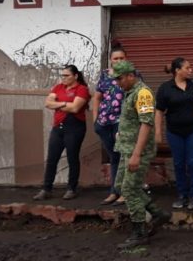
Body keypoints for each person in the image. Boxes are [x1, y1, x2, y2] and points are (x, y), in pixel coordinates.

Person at [110, 61, 170, 249]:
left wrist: (136, 155)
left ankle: (139, 232)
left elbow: (146, 124)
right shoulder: (129, 92)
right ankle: (157, 213)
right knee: (121, 186)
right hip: (126, 149)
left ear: (130, 75)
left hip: (137, 152)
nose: (117, 83)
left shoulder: (143, 94)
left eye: (120, 78)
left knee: (129, 190)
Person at [155, 56, 193, 211]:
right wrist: (157, 131)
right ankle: (182, 195)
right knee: (178, 163)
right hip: (174, 132)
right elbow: (159, 112)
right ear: (177, 70)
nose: (191, 70)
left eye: (190, 67)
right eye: (187, 68)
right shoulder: (165, 88)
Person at [34, 65, 90, 201]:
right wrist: (66, 104)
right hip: (58, 127)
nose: (63, 78)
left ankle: (71, 188)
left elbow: (76, 108)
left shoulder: (82, 89)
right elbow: (48, 103)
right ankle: (46, 189)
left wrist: (58, 103)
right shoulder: (58, 87)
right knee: (52, 159)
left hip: (74, 127)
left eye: (66, 75)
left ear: (75, 76)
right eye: (62, 75)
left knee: (72, 158)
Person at [92, 46, 127, 205]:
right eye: (115, 58)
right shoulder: (105, 75)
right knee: (114, 157)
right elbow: (97, 97)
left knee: (124, 157)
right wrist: (96, 119)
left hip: (122, 122)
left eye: (121, 58)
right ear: (111, 60)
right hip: (104, 122)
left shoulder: (131, 74)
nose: (118, 61)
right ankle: (114, 191)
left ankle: (124, 193)